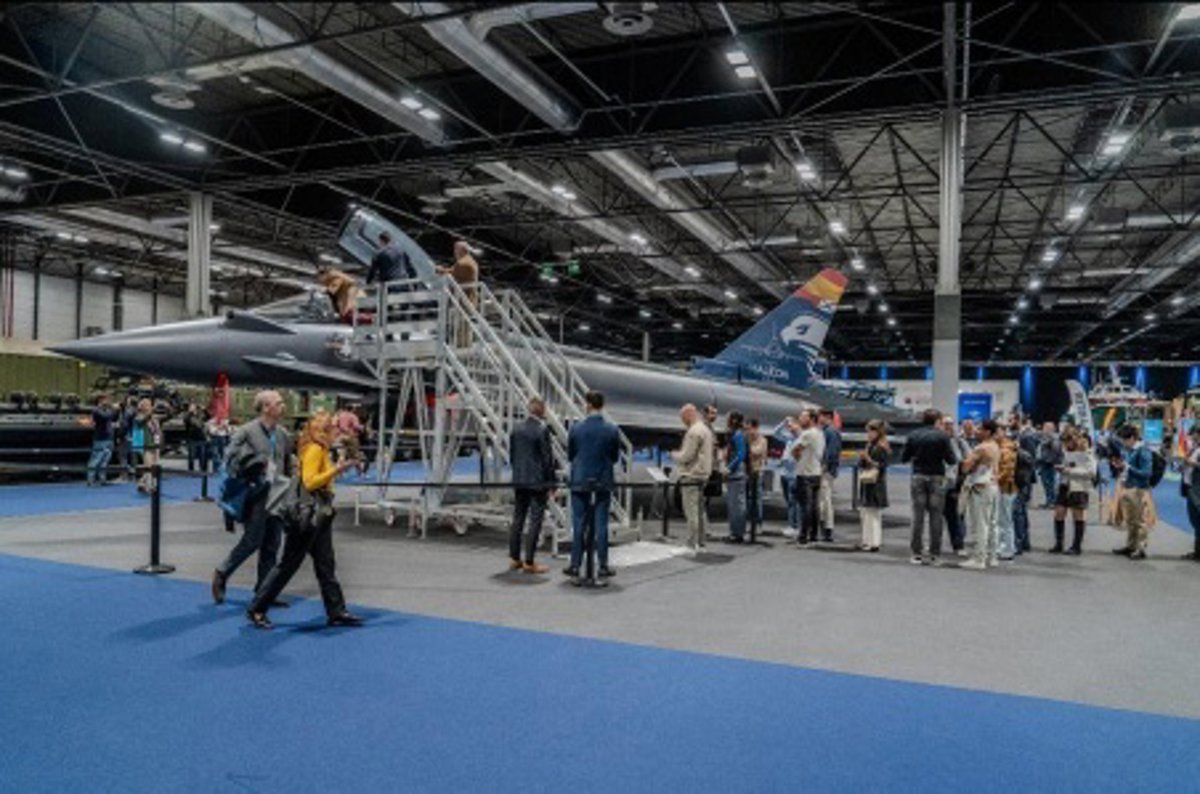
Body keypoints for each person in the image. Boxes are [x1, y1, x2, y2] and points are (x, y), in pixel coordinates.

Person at [246, 411, 362, 630]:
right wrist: (337, 470)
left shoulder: (320, 449)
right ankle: (257, 608)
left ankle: (336, 610)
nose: (338, 432)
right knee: (289, 564)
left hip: (319, 514)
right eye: (334, 428)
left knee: (326, 564)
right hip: (308, 515)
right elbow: (310, 482)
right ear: (324, 431)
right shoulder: (316, 449)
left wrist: (336, 469)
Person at [211, 390, 294, 604]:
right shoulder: (246, 431)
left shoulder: (283, 433)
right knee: (252, 540)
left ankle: (264, 592)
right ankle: (222, 572)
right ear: (266, 407)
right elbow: (229, 460)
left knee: (272, 543)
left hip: (277, 494)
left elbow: (287, 462)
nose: (283, 406)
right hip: (255, 493)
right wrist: (253, 461)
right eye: (278, 403)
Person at [565, 390, 621, 579]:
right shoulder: (612, 429)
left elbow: (571, 455)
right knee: (601, 525)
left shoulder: (576, 429)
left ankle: (575, 565)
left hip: (580, 481)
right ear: (602, 406)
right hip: (602, 481)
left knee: (579, 524)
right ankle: (603, 565)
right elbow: (614, 457)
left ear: (588, 405)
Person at [901, 408, 956, 565]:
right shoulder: (943, 436)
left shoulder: (913, 435)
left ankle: (916, 553)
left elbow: (904, 457)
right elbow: (951, 460)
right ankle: (934, 555)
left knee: (917, 516)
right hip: (937, 477)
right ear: (937, 421)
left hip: (918, 475)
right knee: (936, 516)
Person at [508, 398, 556, 574]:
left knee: (518, 518)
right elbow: (547, 459)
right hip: (537, 482)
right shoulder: (542, 430)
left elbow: (512, 455)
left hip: (519, 480)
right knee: (535, 521)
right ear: (542, 411)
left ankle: (514, 559)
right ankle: (529, 561)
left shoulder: (516, 428)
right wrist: (551, 483)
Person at [959, 419, 1002, 571]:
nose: (976, 431)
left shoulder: (981, 448)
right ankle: (992, 556)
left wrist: (966, 462)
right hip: (993, 485)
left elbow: (966, 467)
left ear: (987, 432)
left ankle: (979, 558)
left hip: (980, 487)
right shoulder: (995, 446)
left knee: (980, 523)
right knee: (992, 523)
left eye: (980, 429)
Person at [672, 403, 714, 553]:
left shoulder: (693, 431)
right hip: (703, 475)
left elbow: (687, 455)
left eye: (683, 418)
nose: (683, 422)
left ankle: (691, 545)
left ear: (689, 414)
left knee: (691, 512)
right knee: (700, 511)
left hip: (691, 475)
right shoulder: (706, 430)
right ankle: (701, 544)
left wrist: (675, 455)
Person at [1049, 431, 1097, 555]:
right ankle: (1059, 544)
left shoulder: (1087, 453)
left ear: (1073, 440)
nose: (1065, 445)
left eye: (1067, 442)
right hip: (1064, 485)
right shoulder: (1065, 451)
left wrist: (1070, 470)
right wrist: (1062, 468)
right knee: (1059, 513)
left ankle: (1076, 546)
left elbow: (1091, 472)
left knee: (1078, 515)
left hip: (1079, 487)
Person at [1112, 423, 1154, 560]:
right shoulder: (1130, 450)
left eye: (1125, 440)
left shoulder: (1143, 451)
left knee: (1139, 520)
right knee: (1130, 519)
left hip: (1138, 488)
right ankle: (1131, 545)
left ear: (1132, 438)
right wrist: (1121, 467)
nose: (1123, 443)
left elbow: (1147, 473)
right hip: (1128, 486)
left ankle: (1141, 548)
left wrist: (1128, 467)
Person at [792, 409, 825, 545]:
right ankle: (813, 534)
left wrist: (797, 457)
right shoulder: (820, 433)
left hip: (805, 473)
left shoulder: (807, 434)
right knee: (814, 506)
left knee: (805, 506)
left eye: (803, 417)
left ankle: (803, 535)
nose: (800, 419)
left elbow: (795, 449)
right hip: (816, 472)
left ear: (811, 419)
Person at [857, 419, 890, 552]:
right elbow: (863, 464)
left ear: (878, 432)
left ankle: (874, 542)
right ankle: (866, 540)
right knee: (866, 513)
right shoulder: (870, 446)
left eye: (871, 431)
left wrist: (868, 459)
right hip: (868, 483)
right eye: (868, 432)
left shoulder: (881, 448)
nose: (869, 434)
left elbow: (882, 466)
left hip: (876, 484)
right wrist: (863, 459)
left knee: (873, 514)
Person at [942, 417, 971, 557]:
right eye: (946, 424)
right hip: (937, 483)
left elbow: (969, 460)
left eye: (951, 424)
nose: (949, 426)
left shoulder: (960, 442)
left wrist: (961, 481)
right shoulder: (937, 440)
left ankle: (958, 545)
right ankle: (935, 544)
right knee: (935, 516)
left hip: (954, 485)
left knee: (956, 515)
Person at [722, 412, 749, 543]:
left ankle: (737, 534)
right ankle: (734, 532)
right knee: (734, 505)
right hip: (735, 473)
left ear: (733, 420)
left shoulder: (738, 434)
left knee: (736, 505)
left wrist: (729, 467)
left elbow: (741, 454)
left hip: (736, 473)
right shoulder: (736, 434)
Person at [817, 409, 843, 542]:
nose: (818, 419)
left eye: (820, 416)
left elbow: (831, 453)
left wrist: (824, 468)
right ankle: (825, 529)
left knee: (825, 501)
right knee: (823, 501)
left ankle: (827, 530)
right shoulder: (827, 431)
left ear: (826, 417)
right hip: (827, 470)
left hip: (826, 471)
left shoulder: (830, 432)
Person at [995, 425, 1019, 561]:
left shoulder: (1006, 449)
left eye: (997, 432)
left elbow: (1007, 470)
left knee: (1005, 519)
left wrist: (994, 480)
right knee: (1002, 519)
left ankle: (1008, 549)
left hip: (1006, 488)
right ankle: (1002, 547)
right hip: (1005, 487)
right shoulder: (1004, 447)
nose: (995, 435)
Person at [131, 398, 162, 494]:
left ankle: (142, 483)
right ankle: (149, 486)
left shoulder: (154, 418)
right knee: (148, 466)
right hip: (146, 445)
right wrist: (151, 411)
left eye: (150, 404)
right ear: (143, 407)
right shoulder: (139, 417)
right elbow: (142, 420)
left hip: (155, 444)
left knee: (154, 466)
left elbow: (158, 429)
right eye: (148, 405)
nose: (150, 406)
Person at [86, 393, 116, 487]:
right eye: (106, 399)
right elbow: (105, 416)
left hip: (109, 438)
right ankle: (90, 479)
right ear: (101, 400)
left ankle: (102, 479)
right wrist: (113, 408)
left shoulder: (106, 410)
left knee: (105, 460)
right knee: (96, 459)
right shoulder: (96, 410)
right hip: (100, 439)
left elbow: (112, 417)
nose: (108, 401)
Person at [778, 417, 801, 538]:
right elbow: (776, 433)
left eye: (792, 426)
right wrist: (784, 422)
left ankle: (795, 526)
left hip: (794, 474)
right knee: (789, 501)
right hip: (785, 474)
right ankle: (792, 524)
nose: (790, 428)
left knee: (794, 502)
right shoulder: (789, 439)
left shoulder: (800, 439)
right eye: (789, 427)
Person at [746, 418, 768, 540]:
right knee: (748, 499)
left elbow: (756, 452)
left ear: (755, 428)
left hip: (757, 472)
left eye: (749, 428)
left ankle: (758, 523)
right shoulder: (747, 439)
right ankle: (749, 522)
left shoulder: (762, 440)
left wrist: (747, 447)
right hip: (747, 472)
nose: (748, 431)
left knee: (757, 499)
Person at [1181, 425, 1200, 562]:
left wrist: (1194, 464)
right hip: (1190, 487)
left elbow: (1195, 464)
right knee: (1195, 521)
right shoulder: (1194, 448)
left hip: (1198, 489)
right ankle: (1197, 551)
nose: (1192, 437)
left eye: (1194, 434)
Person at [1036, 422, 1064, 507]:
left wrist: (1050, 461)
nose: (1043, 429)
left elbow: (1056, 450)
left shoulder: (1053, 438)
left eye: (1045, 428)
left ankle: (1052, 501)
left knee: (1050, 483)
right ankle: (1049, 501)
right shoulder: (1046, 437)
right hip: (1044, 463)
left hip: (1049, 464)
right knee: (1046, 483)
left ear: (1050, 429)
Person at [183, 402, 209, 474]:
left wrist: (205, 410)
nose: (191, 408)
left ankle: (202, 470)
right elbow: (185, 420)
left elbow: (208, 417)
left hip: (201, 437)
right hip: (191, 437)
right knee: (191, 455)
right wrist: (189, 413)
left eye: (193, 406)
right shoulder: (187, 415)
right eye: (190, 407)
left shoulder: (201, 415)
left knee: (202, 455)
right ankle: (191, 470)